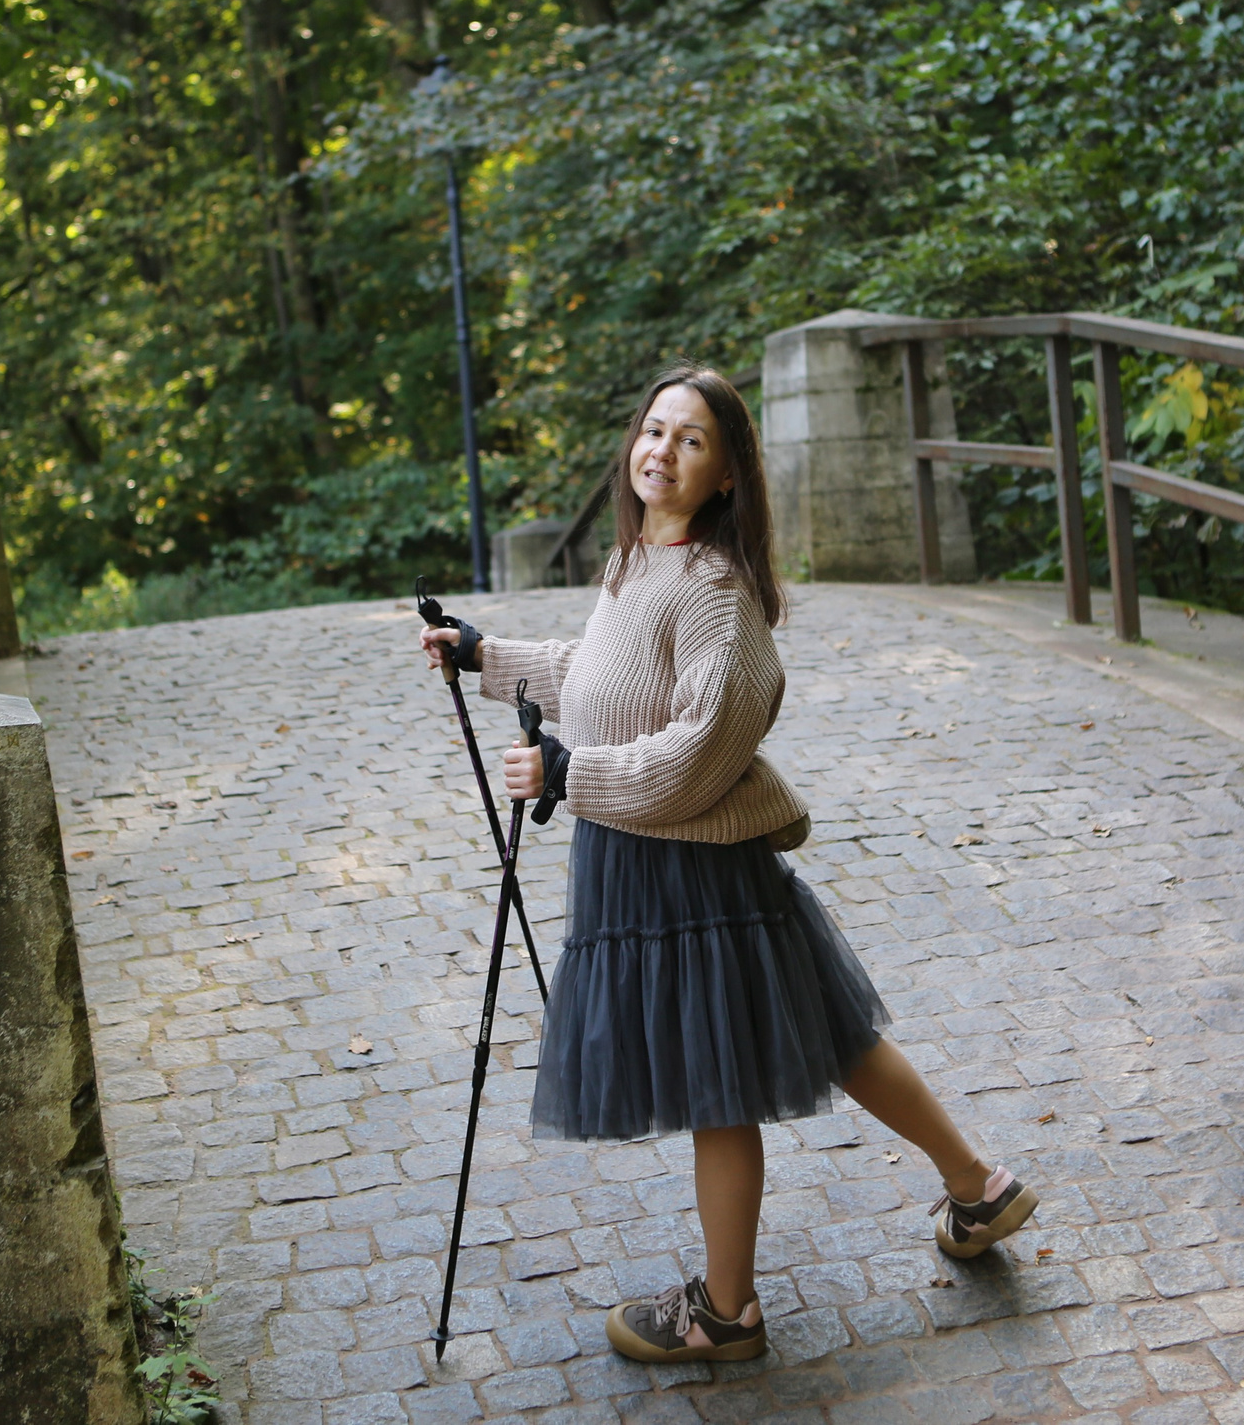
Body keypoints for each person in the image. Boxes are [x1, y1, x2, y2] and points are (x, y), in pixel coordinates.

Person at [416, 362, 1039, 1366]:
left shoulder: (713, 594)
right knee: (828, 1029)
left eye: (690, 439)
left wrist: (571, 773)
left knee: (719, 1086)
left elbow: (700, 750)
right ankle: (979, 1187)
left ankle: (725, 1312)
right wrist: (486, 656)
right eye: (653, 430)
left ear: (727, 475)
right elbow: (595, 678)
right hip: (655, 864)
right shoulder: (641, 563)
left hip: (687, 873)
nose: (661, 449)